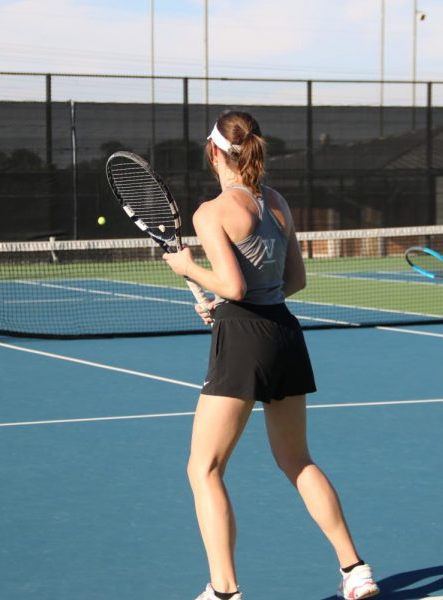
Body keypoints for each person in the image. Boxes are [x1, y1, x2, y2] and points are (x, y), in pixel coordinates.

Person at [162, 111, 380, 600]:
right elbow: (293, 281)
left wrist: (188, 267)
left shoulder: (211, 211)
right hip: (284, 333)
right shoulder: (278, 203)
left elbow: (234, 283)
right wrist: (225, 300)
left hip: (243, 339)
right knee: (298, 460)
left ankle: (224, 592)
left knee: (204, 469)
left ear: (214, 152)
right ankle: (356, 569)